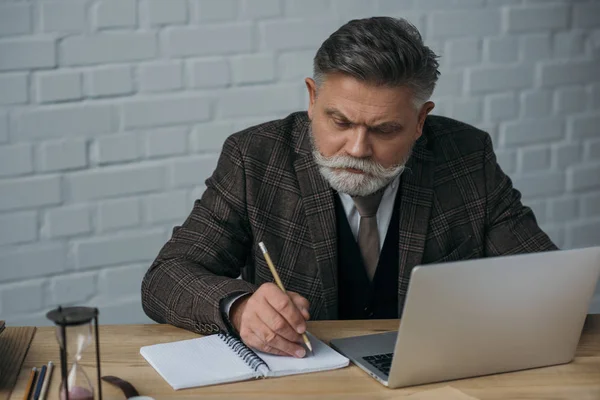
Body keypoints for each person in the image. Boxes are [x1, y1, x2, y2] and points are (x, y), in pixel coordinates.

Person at [141, 17, 557, 359]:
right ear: (312, 97)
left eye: (385, 129)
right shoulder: (255, 158)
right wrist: (240, 307)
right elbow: (165, 277)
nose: (357, 149)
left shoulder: (466, 156)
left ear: (420, 121)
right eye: (339, 122)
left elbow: (545, 280)